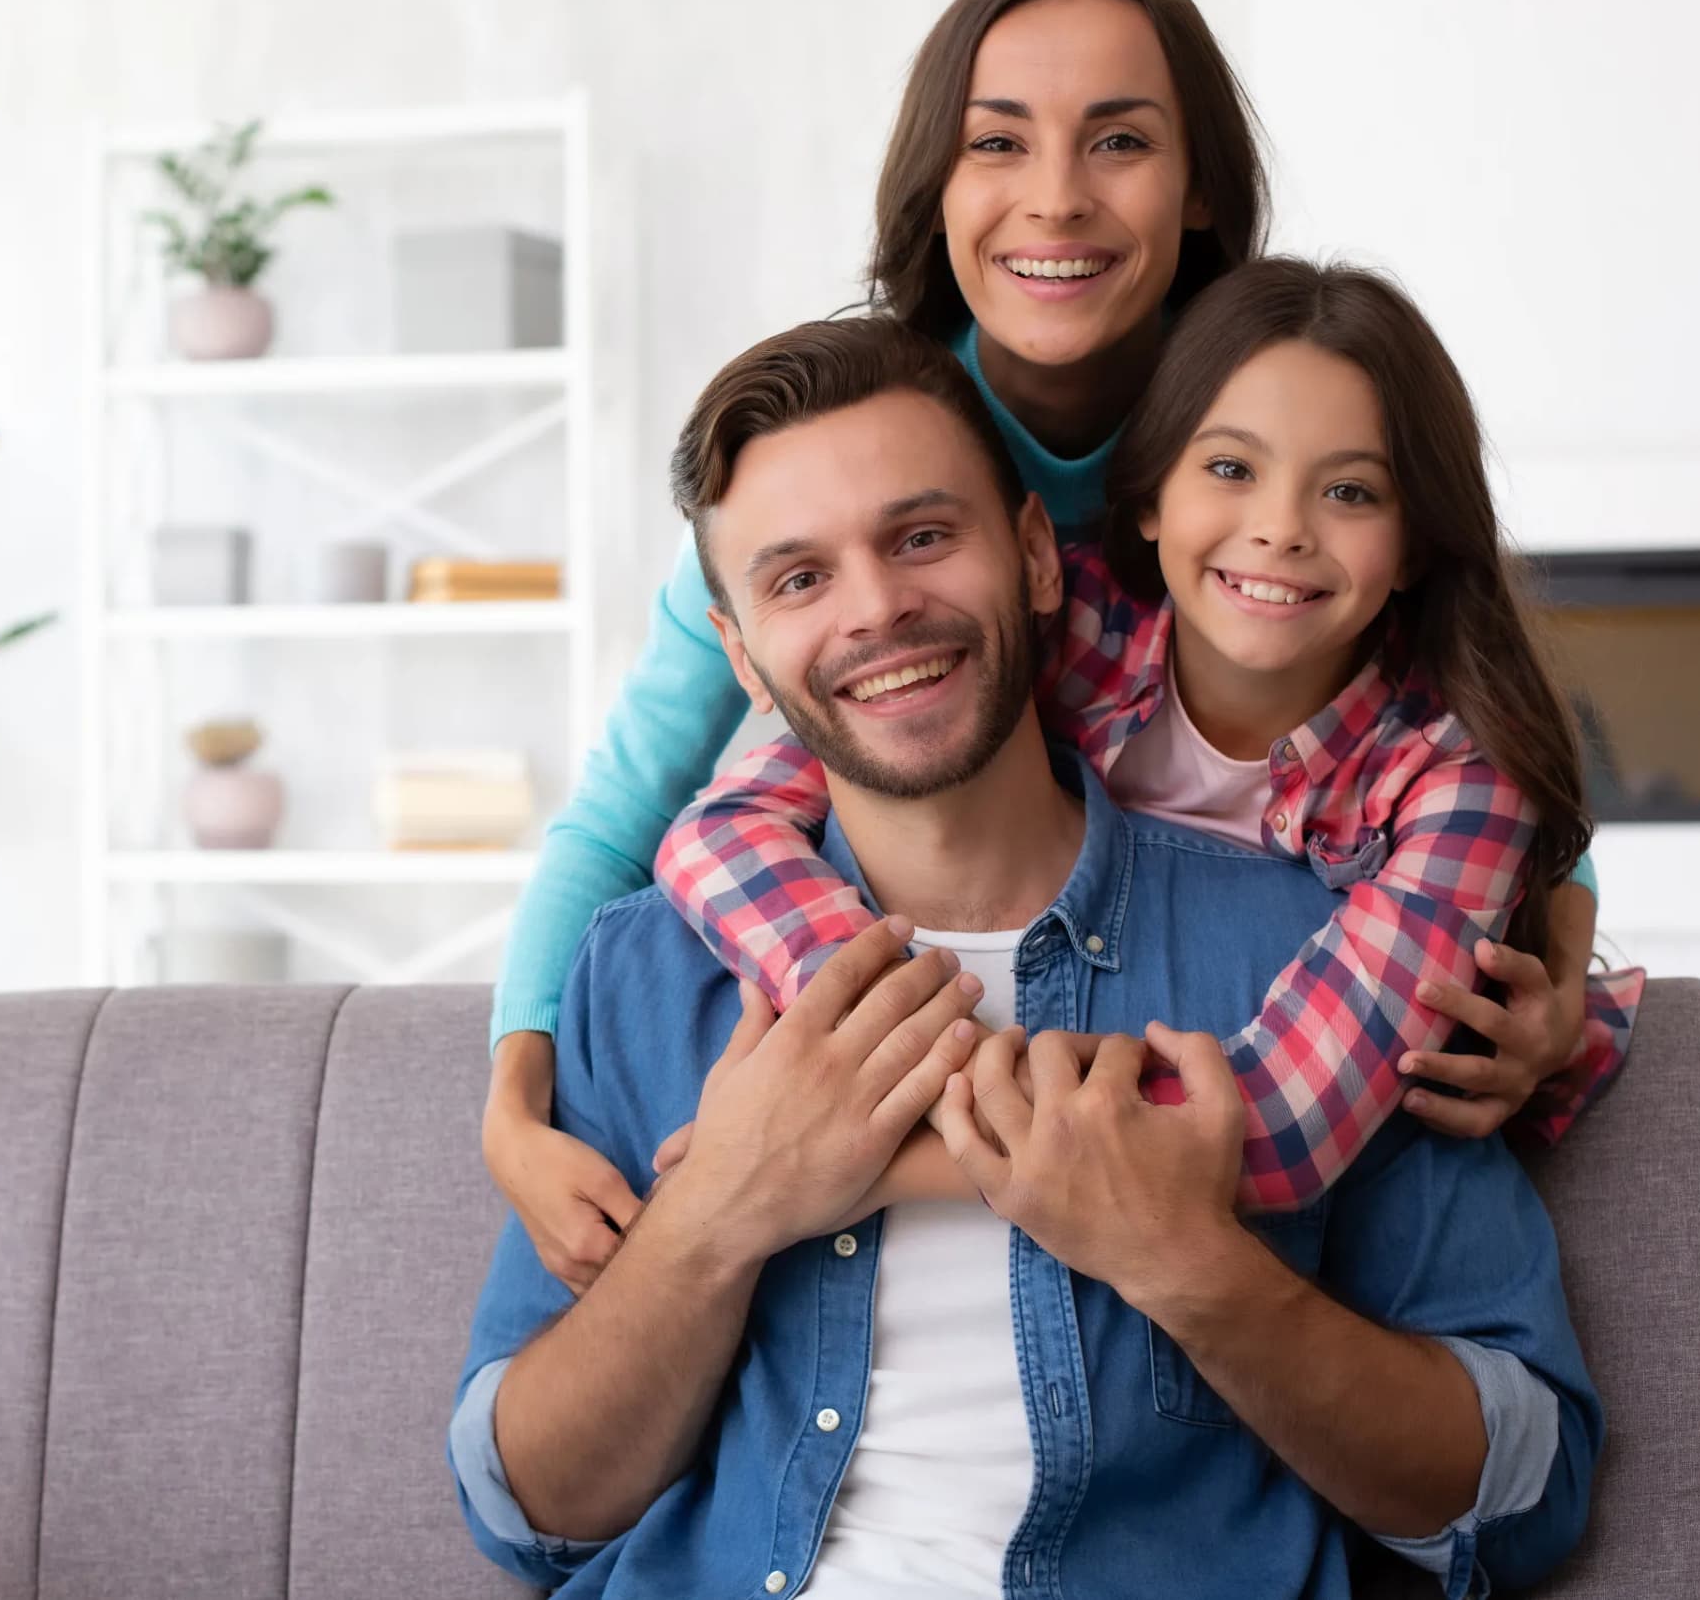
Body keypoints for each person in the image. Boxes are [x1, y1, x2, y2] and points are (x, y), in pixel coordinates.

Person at [484, 0, 1635, 1287]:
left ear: (1200, 182)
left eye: (1120, 142)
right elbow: (643, 812)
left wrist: (1554, 973)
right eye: (999, 142)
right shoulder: (838, 469)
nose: (1057, 199)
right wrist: (517, 1101)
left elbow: (1500, 774)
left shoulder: (1286, 405)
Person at [449, 317, 1597, 1597]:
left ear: (1041, 557)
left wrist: (1195, 1269)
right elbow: (522, 1511)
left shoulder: (1319, 955)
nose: (878, 609)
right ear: (741, 657)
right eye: (799, 580)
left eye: (922, 537)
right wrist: (720, 1209)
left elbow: (1525, 1485)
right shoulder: (649, 969)